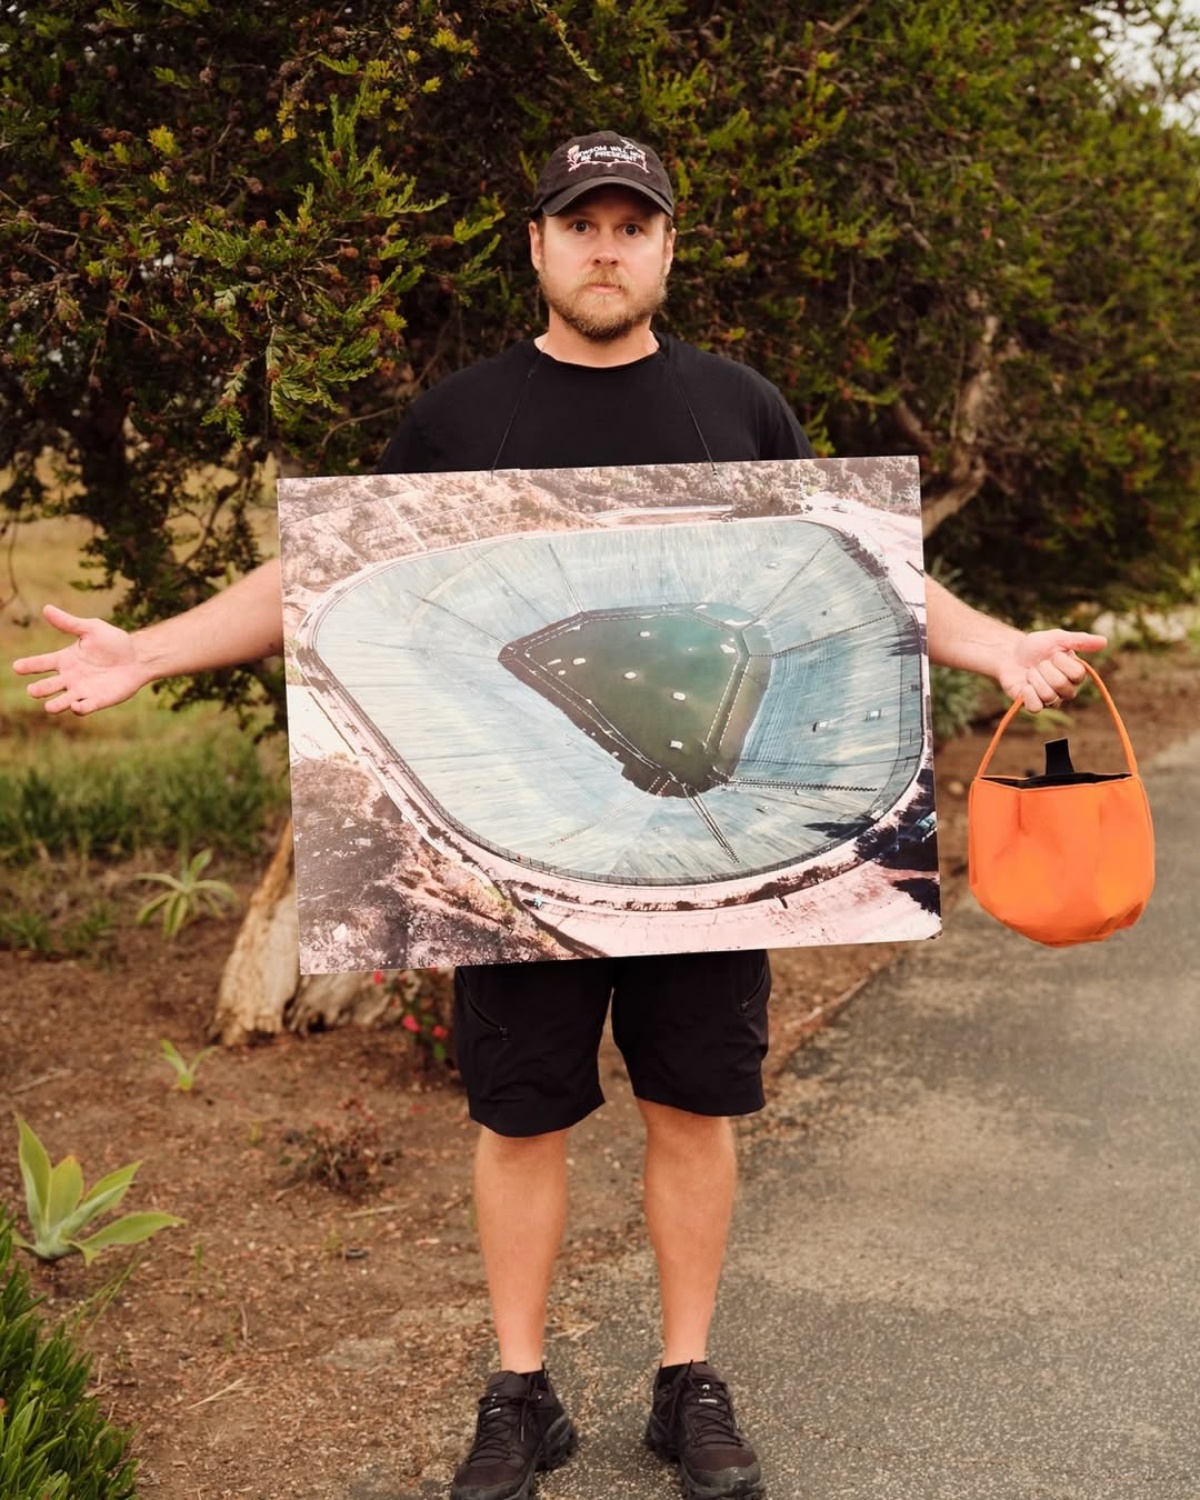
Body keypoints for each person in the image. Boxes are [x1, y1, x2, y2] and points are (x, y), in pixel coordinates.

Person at [13, 131, 1105, 1500]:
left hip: (713, 862)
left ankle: (686, 1382)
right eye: (581, 224)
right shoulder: (461, 421)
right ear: (536, 245)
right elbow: (320, 579)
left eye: (631, 226)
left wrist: (999, 646)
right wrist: (152, 650)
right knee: (521, 1117)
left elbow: (865, 574)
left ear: (666, 249)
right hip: (511, 860)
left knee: (693, 1107)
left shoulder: (737, 408)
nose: (605, 248)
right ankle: (519, 1392)